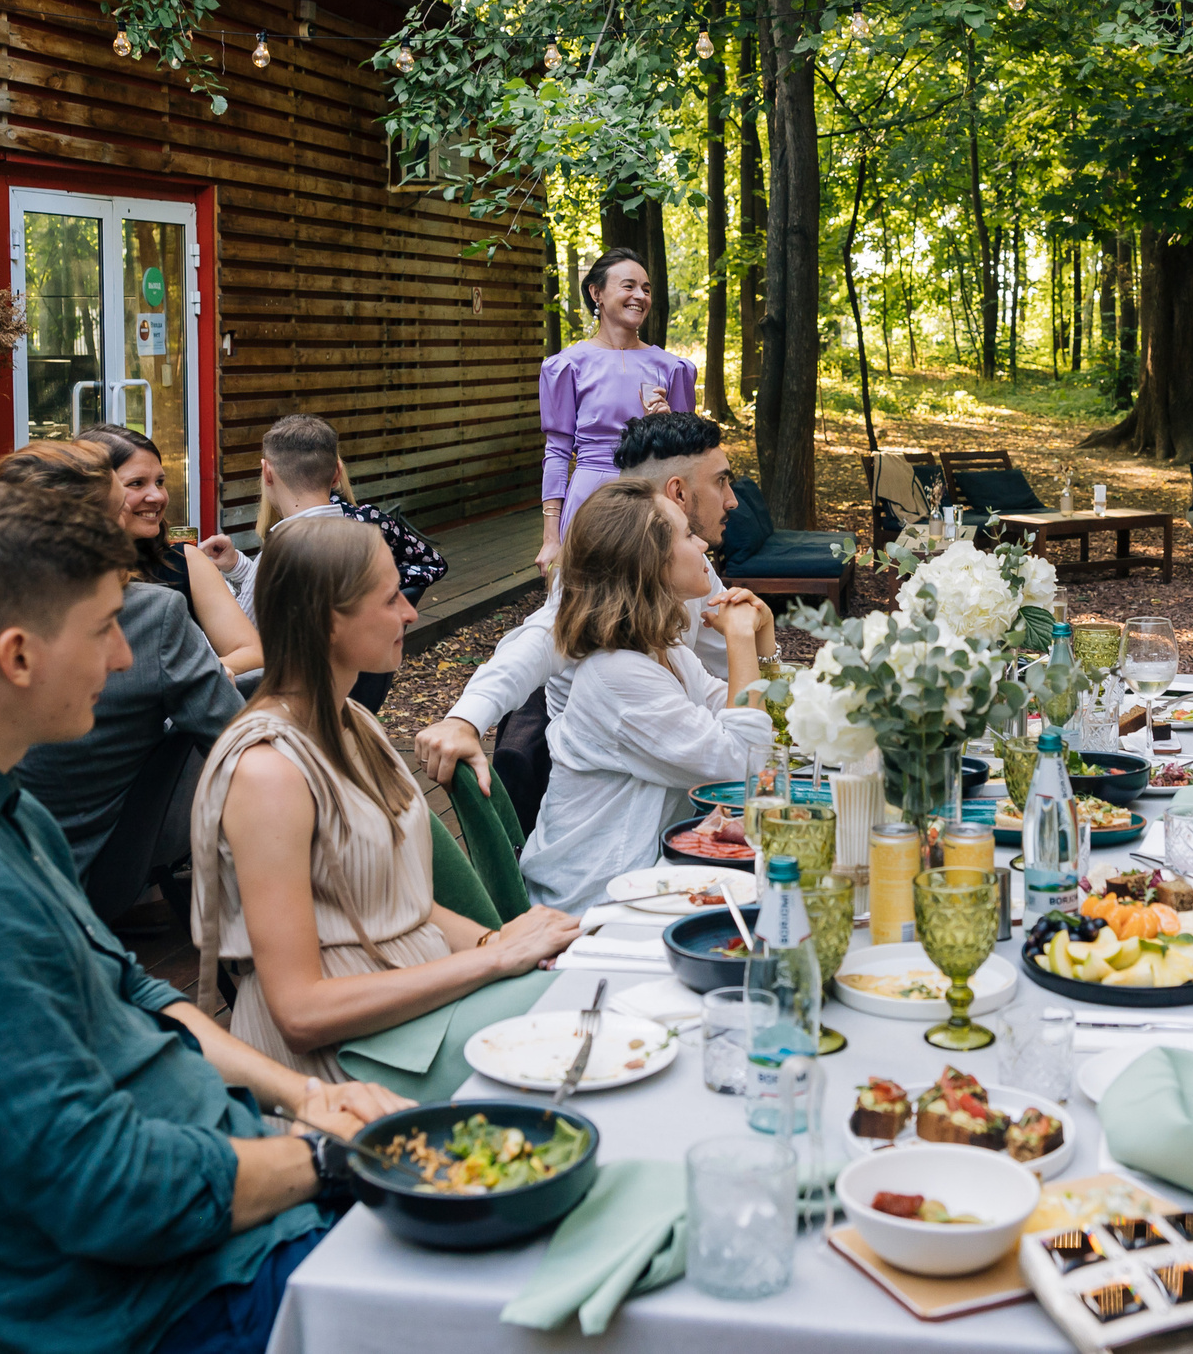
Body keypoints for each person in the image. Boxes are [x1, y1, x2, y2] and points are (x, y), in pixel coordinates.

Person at [0, 481, 409, 1354]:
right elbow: (110, 1189)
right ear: (17, 656)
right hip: (178, 1300)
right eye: (103, 627)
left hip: (228, 1212)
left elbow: (131, 993)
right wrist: (328, 1160)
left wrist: (314, 1097)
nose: (126, 657)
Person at [191, 512, 580, 1081]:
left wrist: (504, 940)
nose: (411, 612)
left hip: (418, 1018)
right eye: (390, 598)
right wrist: (494, 960)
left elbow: (404, 906)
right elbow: (300, 1012)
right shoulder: (268, 772)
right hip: (344, 1065)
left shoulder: (355, 723)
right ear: (325, 621)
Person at [415, 411, 753, 798]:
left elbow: (726, 664)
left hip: (668, 771)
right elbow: (537, 642)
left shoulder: (687, 570)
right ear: (677, 492)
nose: (731, 500)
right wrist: (465, 720)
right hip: (601, 802)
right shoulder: (605, 568)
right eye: (721, 481)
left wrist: (764, 648)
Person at [0, 442, 243, 908]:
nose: (122, 657)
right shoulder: (151, 614)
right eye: (118, 511)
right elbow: (245, 751)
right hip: (84, 884)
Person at [519, 477, 773, 912]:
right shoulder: (617, 676)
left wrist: (762, 643)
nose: (705, 549)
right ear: (649, 562)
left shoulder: (663, 650)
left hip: (649, 875)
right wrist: (741, 640)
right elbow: (743, 767)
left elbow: (741, 716)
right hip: (594, 902)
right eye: (689, 536)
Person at [198, 414, 448, 714]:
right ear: (336, 474)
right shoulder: (361, 535)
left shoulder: (285, 550)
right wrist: (238, 565)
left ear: (267, 472)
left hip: (275, 711)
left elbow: (241, 643)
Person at [536, 248, 696, 569]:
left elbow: (687, 459)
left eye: (646, 289)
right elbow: (557, 453)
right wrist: (551, 539)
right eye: (629, 286)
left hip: (650, 498)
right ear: (597, 293)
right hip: (589, 498)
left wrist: (666, 429)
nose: (640, 296)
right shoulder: (566, 366)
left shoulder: (673, 368)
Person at [78, 424, 261, 675]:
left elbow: (251, 652)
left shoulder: (186, 561)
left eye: (160, 482)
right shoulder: (65, 570)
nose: (157, 496)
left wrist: (185, 680)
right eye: (137, 483)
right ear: (96, 492)